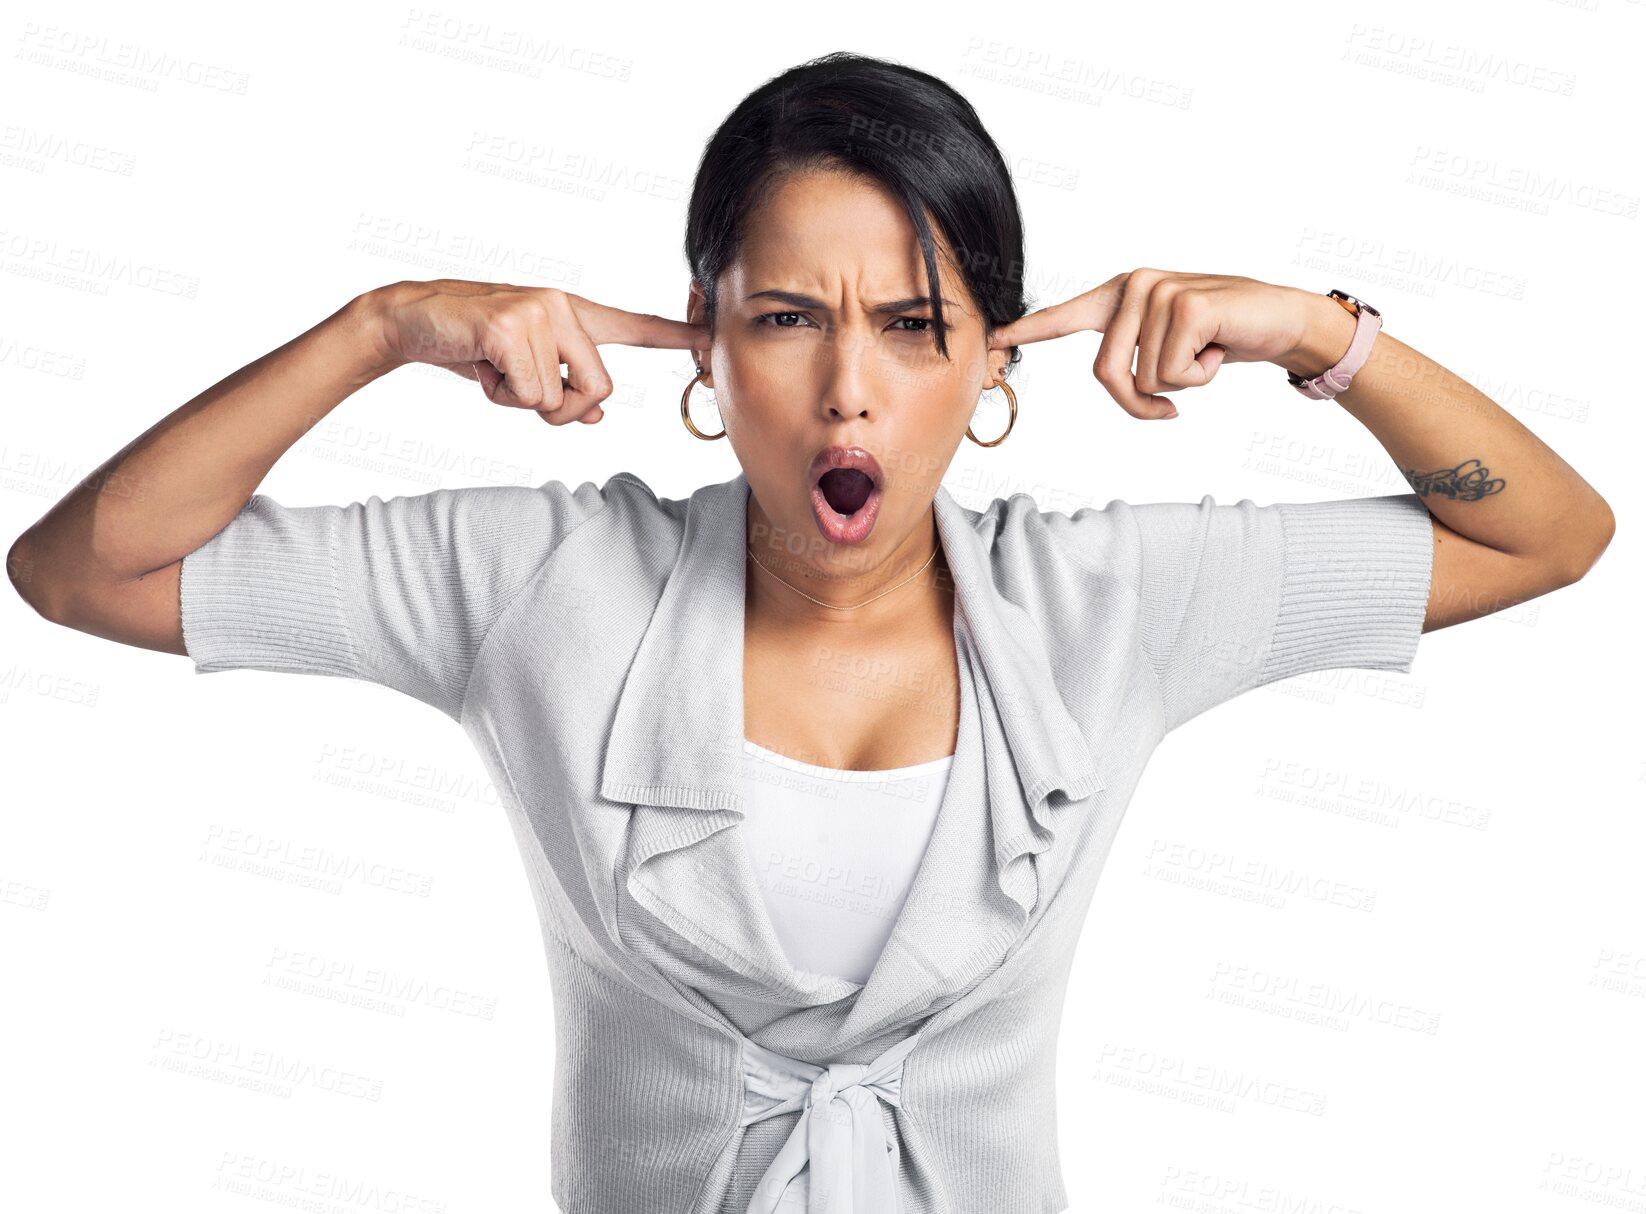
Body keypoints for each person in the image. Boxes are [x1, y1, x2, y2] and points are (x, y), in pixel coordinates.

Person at [8, 50, 1614, 1214]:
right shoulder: (540, 578)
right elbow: (83, 570)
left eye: (916, 328)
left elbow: (1550, 532)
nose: (848, 388)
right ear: (701, 335)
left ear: (996, 363)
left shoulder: (1111, 600)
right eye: (786, 317)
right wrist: (381, 326)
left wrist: (1316, 333)